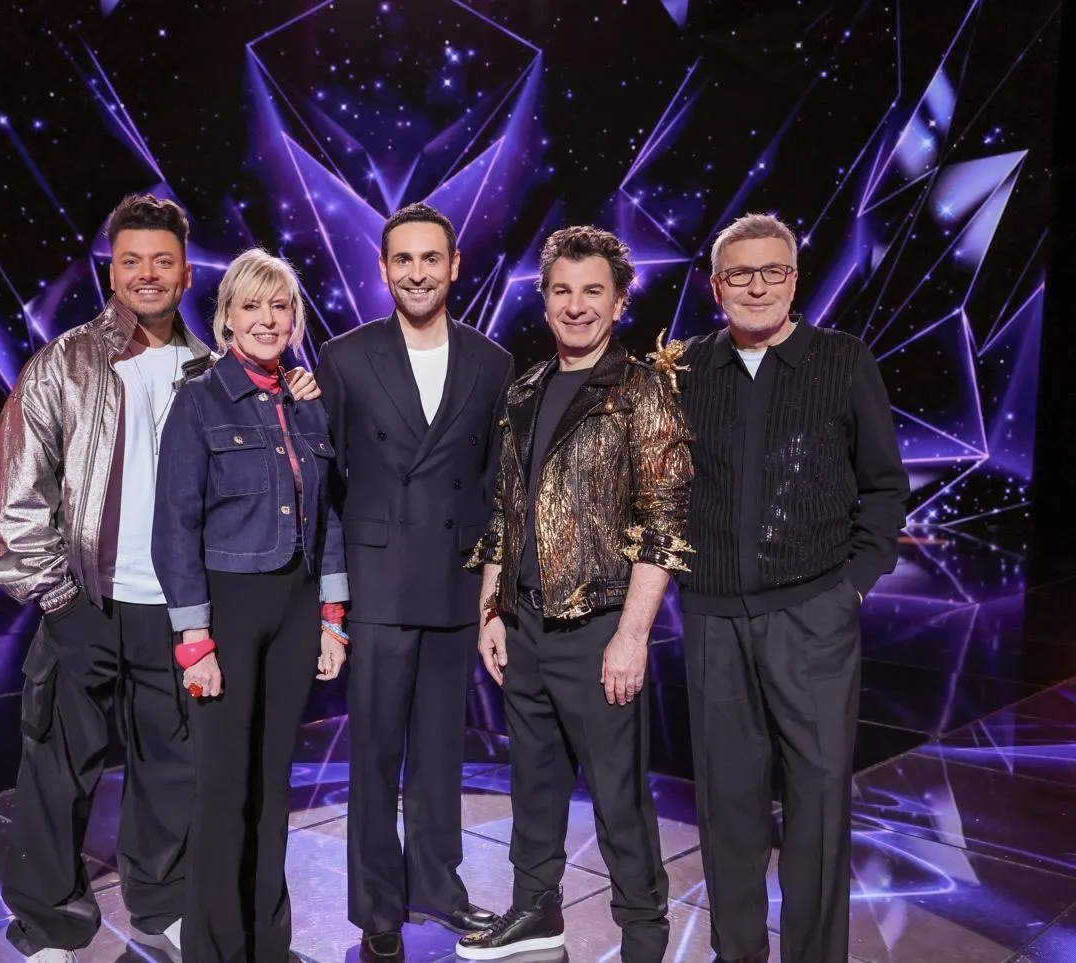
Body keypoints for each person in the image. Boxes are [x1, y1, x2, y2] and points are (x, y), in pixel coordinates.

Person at [0, 195, 319, 962]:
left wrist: (299, 393)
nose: (148, 274)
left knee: (172, 768)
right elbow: (11, 497)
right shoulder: (65, 364)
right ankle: (47, 922)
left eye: (163, 260)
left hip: (179, 607)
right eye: (132, 260)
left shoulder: (212, 370)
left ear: (187, 272)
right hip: (87, 601)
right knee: (60, 766)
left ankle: (161, 902)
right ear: (112, 271)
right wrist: (58, 596)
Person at [676, 212, 909, 963]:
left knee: (818, 806)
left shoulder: (842, 359)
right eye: (739, 273)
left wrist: (852, 588)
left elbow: (884, 487)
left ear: (794, 278)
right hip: (714, 619)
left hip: (812, 616)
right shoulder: (685, 369)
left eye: (772, 270)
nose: (757, 286)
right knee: (728, 807)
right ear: (716, 287)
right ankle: (737, 953)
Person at [457, 226, 694, 963]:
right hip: (524, 623)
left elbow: (665, 523)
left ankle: (644, 937)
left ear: (619, 302)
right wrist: (492, 610)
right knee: (533, 783)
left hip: (600, 628)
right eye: (562, 290)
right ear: (545, 298)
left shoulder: (641, 390)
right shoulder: (525, 390)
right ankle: (536, 912)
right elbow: (504, 511)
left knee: (619, 797)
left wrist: (631, 635)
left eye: (593, 291)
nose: (576, 304)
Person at [316, 202, 513, 963]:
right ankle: (377, 905)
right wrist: (331, 604)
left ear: (455, 265)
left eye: (432, 258)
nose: (418, 272)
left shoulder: (492, 363)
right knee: (373, 756)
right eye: (404, 259)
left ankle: (439, 884)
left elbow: (495, 491)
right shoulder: (344, 357)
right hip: (376, 585)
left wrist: (492, 601)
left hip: (454, 583)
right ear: (383, 269)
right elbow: (326, 488)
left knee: (440, 754)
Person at [151, 248, 349, 963]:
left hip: (296, 610)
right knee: (223, 789)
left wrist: (332, 619)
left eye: (280, 306)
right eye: (252, 306)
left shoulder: (304, 401)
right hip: (227, 613)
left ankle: (269, 943)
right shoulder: (199, 400)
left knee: (272, 787)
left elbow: (329, 516)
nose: (268, 319)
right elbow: (174, 526)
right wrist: (194, 640)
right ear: (227, 317)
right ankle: (214, 948)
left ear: (294, 317)